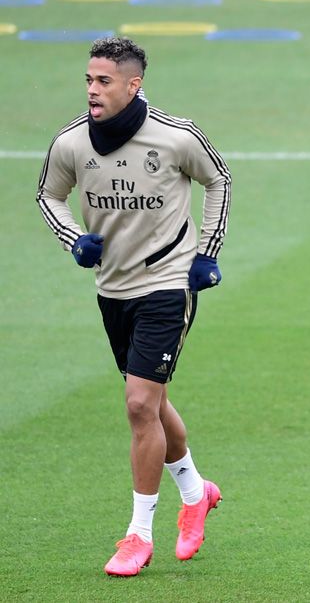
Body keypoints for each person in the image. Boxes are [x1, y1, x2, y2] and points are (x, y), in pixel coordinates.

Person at [35, 37, 232, 576]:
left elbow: (219, 180)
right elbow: (48, 196)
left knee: (139, 405)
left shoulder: (174, 137)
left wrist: (205, 254)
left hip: (168, 285)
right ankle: (196, 492)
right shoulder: (72, 143)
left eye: (103, 81)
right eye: (88, 80)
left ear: (132, 84)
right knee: (151, 400)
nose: (92, 91)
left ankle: (137, 535)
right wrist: (75, 238)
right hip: (112, 289)